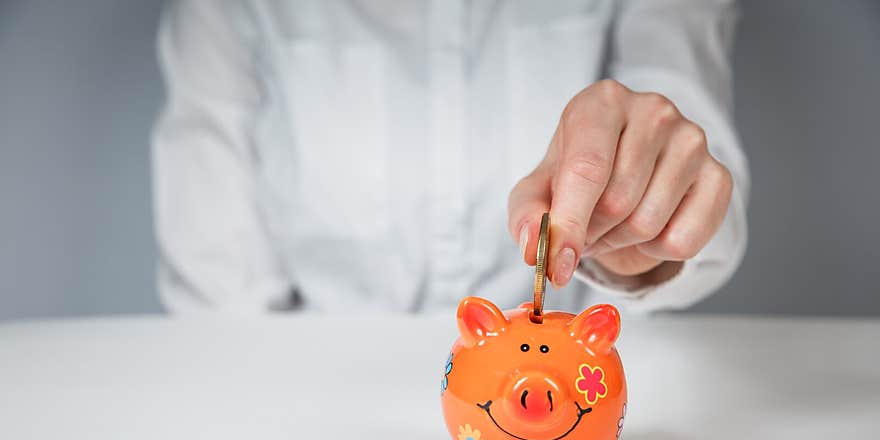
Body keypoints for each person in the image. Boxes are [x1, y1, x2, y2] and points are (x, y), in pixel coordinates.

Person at [152, 0, 748, 315]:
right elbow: (219, 306)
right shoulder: (228, 9)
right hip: (314, 413)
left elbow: (704, 182)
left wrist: (645, 228)